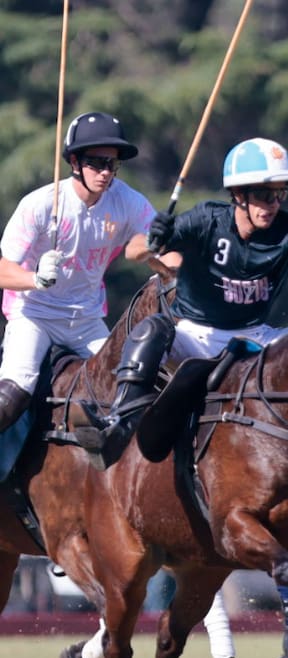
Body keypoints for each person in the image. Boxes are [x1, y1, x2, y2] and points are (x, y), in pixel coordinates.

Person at [83, 137, 288, 464]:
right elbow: (134, 250)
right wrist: (156, 238)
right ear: (238, 195)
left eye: (280, 195)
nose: (273, 205)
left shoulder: (287, 231)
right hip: (196, 336)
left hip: (256, 337)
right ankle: (118, 424)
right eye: (264, 195)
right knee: (152, 330)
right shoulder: (207, 219)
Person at [0, 112, 160, 438]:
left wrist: (179, 262)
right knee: (16, 390)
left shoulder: (127, 201)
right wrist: (36, 279)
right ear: (74, 161)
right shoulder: (41, 204)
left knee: (130, 386)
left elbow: (159, 246)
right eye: (96, 162)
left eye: (112, 165)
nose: (105, 173)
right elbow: (3, 270)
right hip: (34, 315)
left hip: (85, 320)